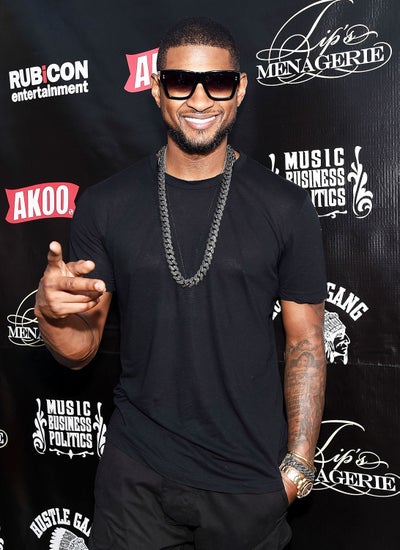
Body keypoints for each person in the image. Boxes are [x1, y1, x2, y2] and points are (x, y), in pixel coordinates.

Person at [35, 16, 327, 550]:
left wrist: (297, 471)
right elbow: (80, 351)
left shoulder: (286, 207)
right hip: (136, 478)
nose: (199, 99)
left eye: (217, 82)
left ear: (239, 89)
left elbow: (306, 339)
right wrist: (51, 314)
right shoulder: (105, 205)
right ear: (156, 90)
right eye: (180, 82)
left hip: (248, 482)